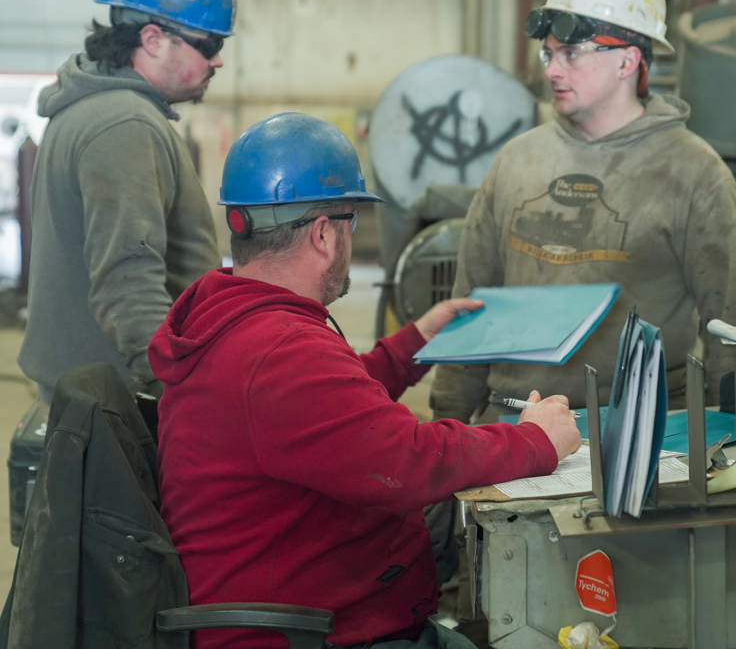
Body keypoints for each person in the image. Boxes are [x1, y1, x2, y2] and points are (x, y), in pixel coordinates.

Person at [149, 112, 582, 649]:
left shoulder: (236, 317)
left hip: (305, 604)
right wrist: (535, 440)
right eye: (351, 223)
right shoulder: (279, 352)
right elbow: (406, 460)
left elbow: (324, 413)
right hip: (307, 634)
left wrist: (413, 344)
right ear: (324, 233)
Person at [431, 0, 736, 423]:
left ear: (628, 60)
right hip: (512, 425)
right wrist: (449, 426)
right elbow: (470, 308)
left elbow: (732, 330)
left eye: (571, 54)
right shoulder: (517, 161)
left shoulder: (694, 174)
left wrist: (733, 444)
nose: (551, 71)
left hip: (640, 436)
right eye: (548, 53)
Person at [18, 0, 234, 404]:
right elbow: (128, 280)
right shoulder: (125, 125)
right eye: (209, 45)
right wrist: (180, 393)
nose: (217, 61)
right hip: (121, 402)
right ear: (153, 40)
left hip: (92, 390)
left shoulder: (93, 107)